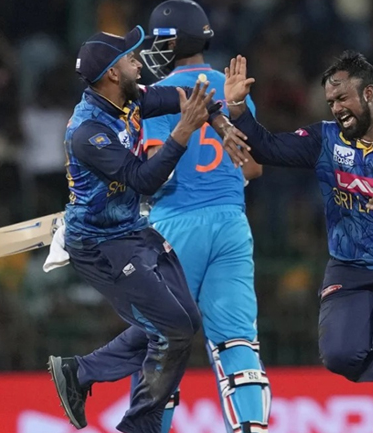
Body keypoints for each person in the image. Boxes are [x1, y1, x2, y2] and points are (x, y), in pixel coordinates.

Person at [223, 52, 373, 432]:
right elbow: (267, 148)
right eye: (331, 102)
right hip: (349, 266)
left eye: (343, 98)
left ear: (369, 93)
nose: (337, 109)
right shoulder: (324, 139)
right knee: (339, 356)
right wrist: (236, 108)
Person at [46, 26, 246, 433]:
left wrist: (222, 120)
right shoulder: (88, 132)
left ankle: (80, 371)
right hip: (100, 246)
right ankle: (139, 426)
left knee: (185, 320)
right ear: (112, 73)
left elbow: (190, 97)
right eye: (129, 57)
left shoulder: (131, 97)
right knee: (173, 329)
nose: (138, 62)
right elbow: (143, 179)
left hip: (132, 230)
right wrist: (183, 131)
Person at [129, 2, 270, 433]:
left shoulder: (160, 94)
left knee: (161, 342)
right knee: (237, 340)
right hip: (231, 222)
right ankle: (250, 426)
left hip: (175, 226)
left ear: (173, 42)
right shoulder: (231, 88)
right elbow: (253, 166)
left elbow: (159, 171)